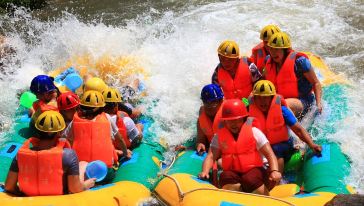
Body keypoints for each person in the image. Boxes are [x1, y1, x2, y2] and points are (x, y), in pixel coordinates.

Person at [199, 99, 281, 195]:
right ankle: (237, 199)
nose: (234, 124)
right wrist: (205, 171)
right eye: (230, 121)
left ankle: (264, 198)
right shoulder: (219, 136)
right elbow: (211, 156)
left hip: (256, 172)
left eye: (237, 120)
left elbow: (269, 154)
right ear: (224, 121)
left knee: (249, 179)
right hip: (234, 173)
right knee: (225, 176)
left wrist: (275, 171)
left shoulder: (254, 132)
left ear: (244, 119)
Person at [4, 111, 95, 196]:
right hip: (60, 198)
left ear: (37, 131)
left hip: (29, 197)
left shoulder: (20, 155)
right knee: (83, 164)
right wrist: (86, 185)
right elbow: (74, 189)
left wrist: (22, 194)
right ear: (60, 132)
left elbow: (9, 186)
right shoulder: (68, 155)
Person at [249, 80, 322, 174]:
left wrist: (312, 145)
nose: (262, 101)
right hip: (262, 147)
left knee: (276, 149)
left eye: (265, 98)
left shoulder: (282, 111)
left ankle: (277, 179)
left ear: (271, 98)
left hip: (282, 145)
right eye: (258, 98)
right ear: (254, 99)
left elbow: (298, 130)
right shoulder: (249, 111)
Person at [62, 90, 131, 182]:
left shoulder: (74, 122)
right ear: (101, 108)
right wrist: (126, 153)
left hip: (82, 171)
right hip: (105, 171)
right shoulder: (107, 117)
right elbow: (120, 139)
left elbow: (65, 140)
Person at [264, 32, 322, 116]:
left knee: (281, 105)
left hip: (304, 100)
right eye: (271, 49)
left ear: (285, 50)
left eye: (277, 49)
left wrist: (319, 104)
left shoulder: (300, 62)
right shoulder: (268, 61)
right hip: (280, 99)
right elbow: (264, 80)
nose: (273, 52)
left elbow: (316, 83)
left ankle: (292, 127)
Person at [196, 84, 224, 154]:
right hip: (211, 150)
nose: (209, 106)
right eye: (206, 102)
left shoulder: (228, 115)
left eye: (213, 102)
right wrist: (200, 144)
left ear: (221, 101)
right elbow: (201, 140)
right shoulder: (201, 118)